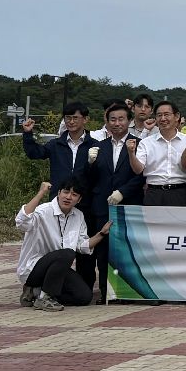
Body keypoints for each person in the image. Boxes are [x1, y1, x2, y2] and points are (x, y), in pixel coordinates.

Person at [83, 102, 142, 302]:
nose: (117, 123)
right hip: (102, 206)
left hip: (128, 205)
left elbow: (142, 175)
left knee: (127, 251)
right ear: (107, 123)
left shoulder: (140, 143)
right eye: (113, 119)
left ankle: (127, 293)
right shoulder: (98, 147)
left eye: (121, 119)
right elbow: (89, 180)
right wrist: (89, 164)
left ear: (129, 121)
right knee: (103, 252)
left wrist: (123, 192)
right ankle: (107, 293)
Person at [14, 178, 99, 311]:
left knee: (84, 296)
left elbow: (82, 246)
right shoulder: (43, 211)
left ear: (79, 199)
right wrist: (41, 193)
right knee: (67, 253)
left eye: (74, 195)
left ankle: (35, 293)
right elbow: (22, 222)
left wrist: (102, 234)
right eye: (65, 192)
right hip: (33, 268)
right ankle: (44, 297)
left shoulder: (78, 216)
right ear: (58, 193)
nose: (68, 197)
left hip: (57, 271)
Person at [131, 101, 186, 205]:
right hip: (153, 193)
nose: (163, 119)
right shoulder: (146, 142)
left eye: (167, 114)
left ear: (177, 116)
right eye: (159, 115)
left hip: (179, 192)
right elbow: (138, 170)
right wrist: (131, 153)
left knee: (179, 221)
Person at [22, 103, 96, 190]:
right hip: (58, 198)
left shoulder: (94, 145)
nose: (71, 121)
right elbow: (34, 153)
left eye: (75, 118)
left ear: (85, 119)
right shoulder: (55, 144)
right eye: (68, 118)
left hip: (85, 199)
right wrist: (27, 133)